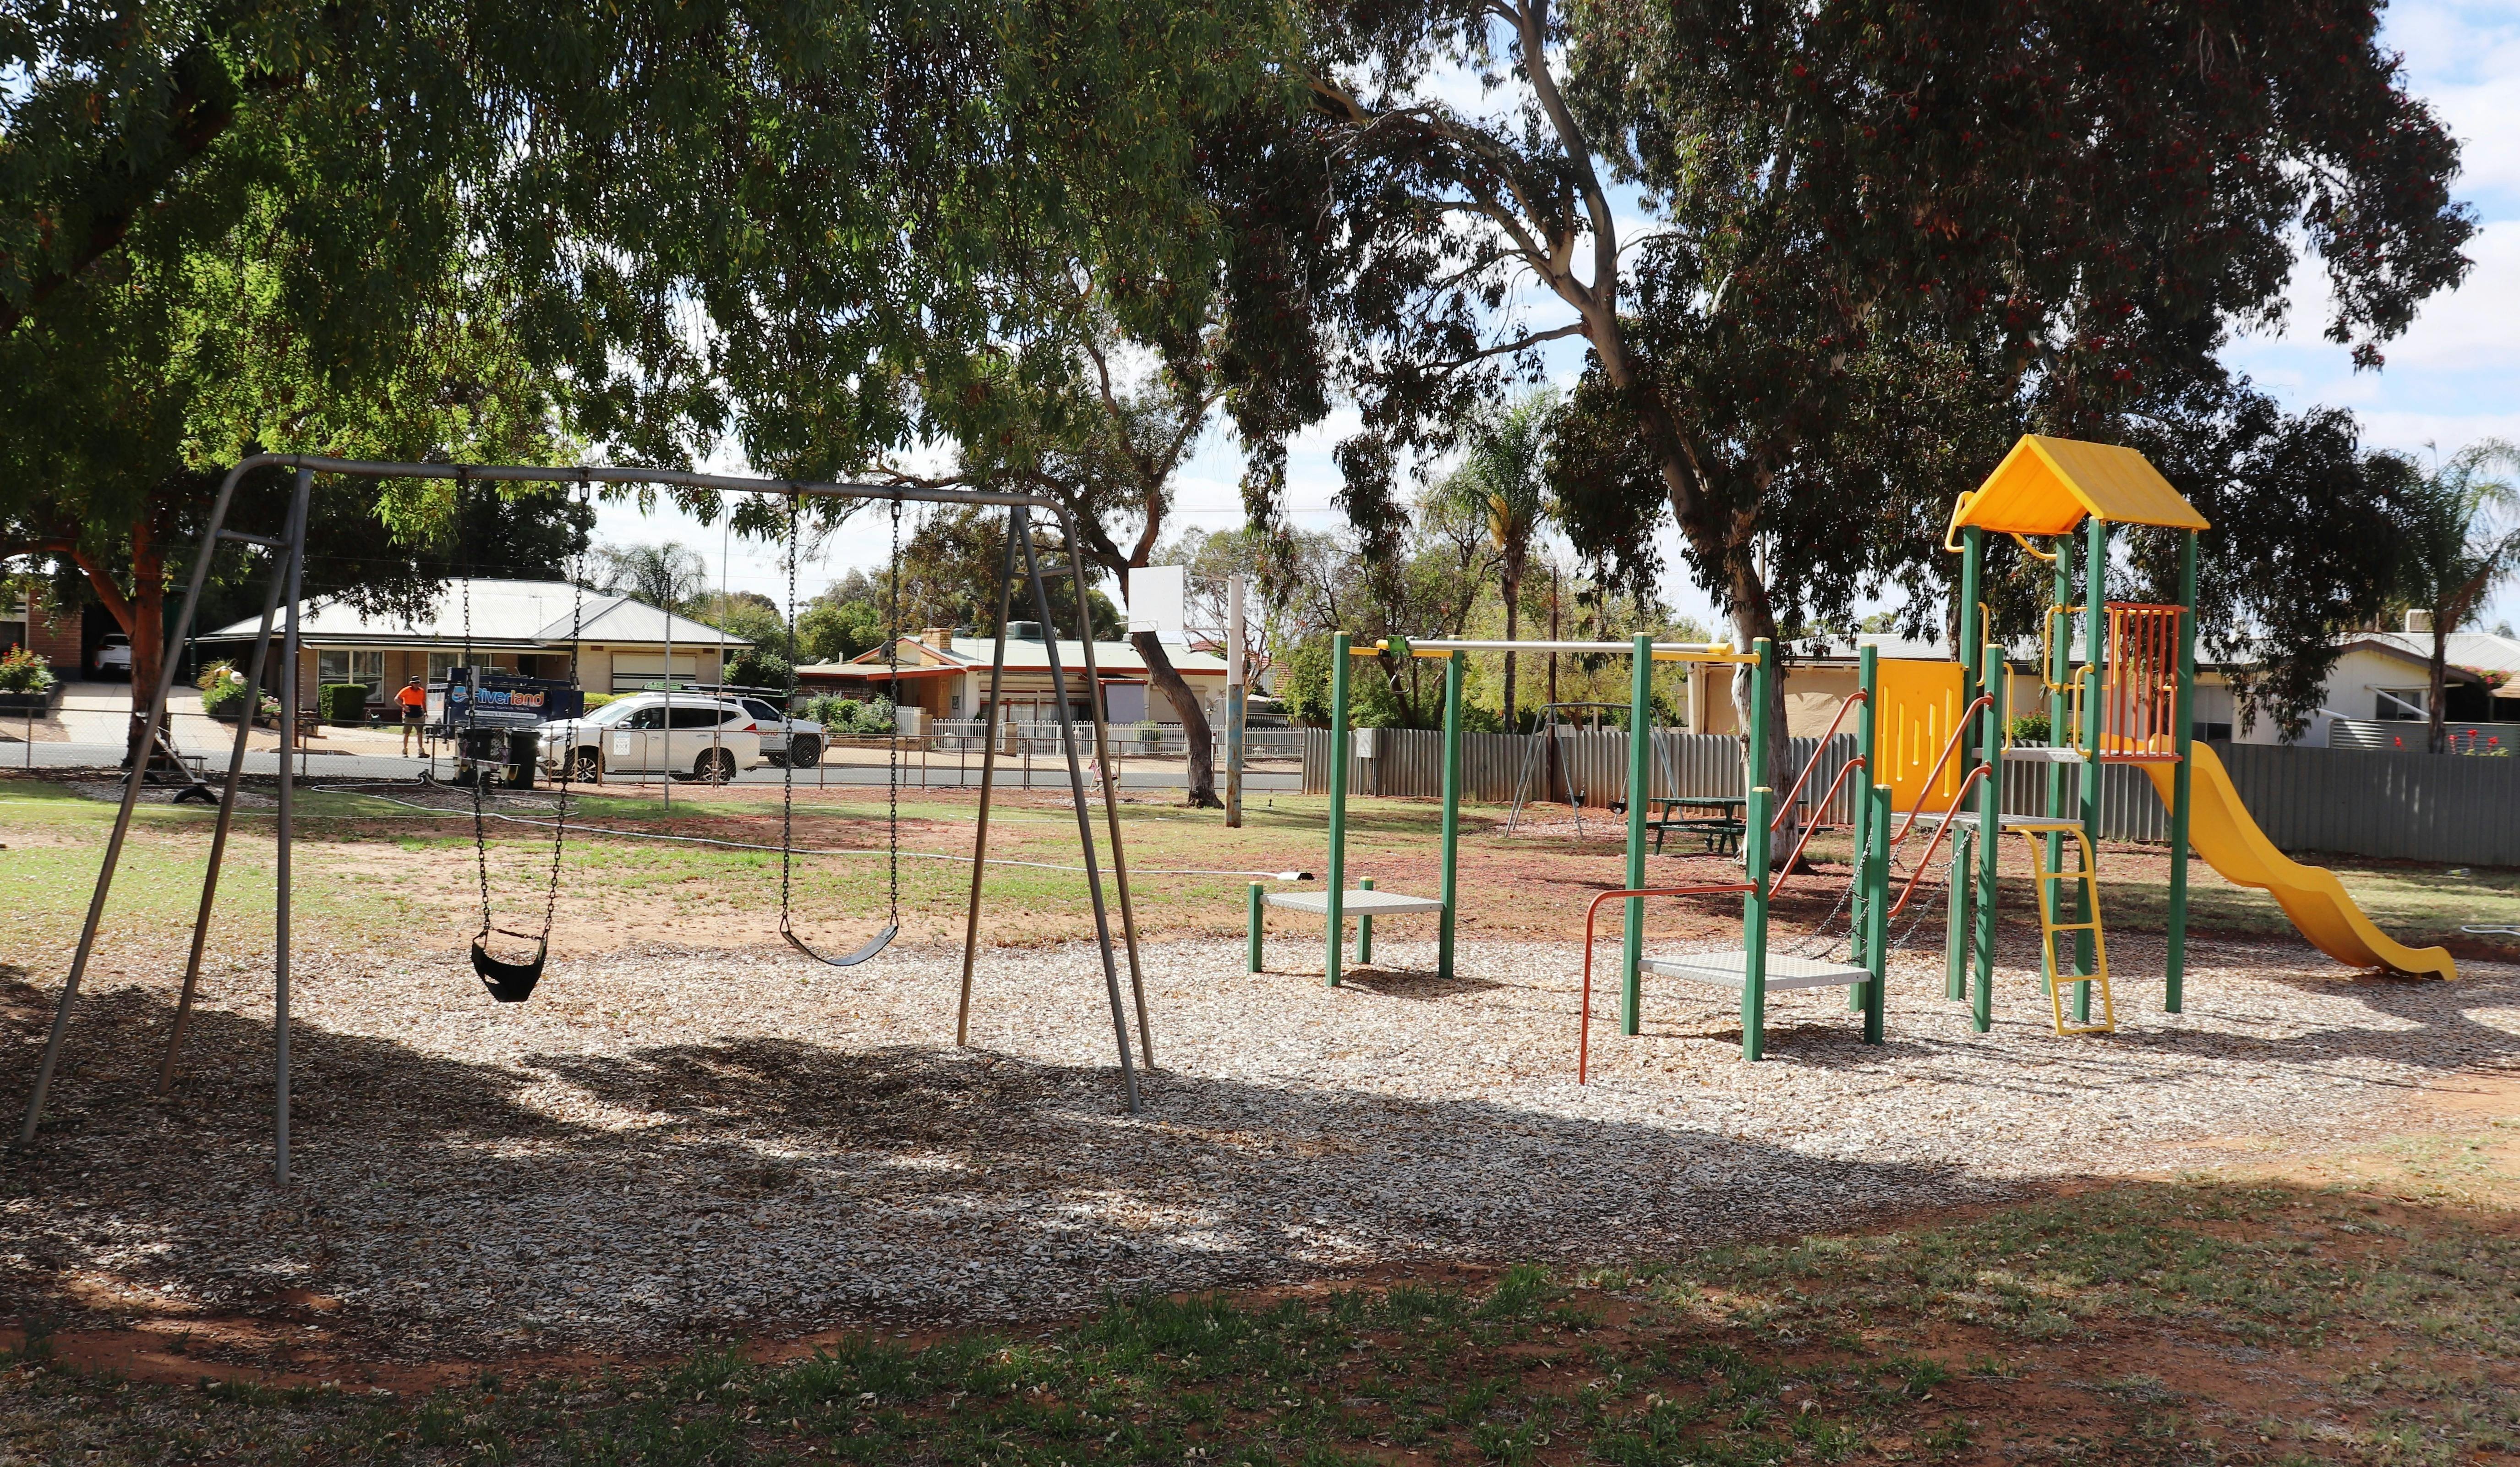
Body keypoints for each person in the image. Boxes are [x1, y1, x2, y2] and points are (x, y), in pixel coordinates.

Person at [398, 675, 429, 755]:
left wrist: (425, 711)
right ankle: (405, 750)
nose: (417, 684)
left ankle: (421, 751)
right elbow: (397, 699)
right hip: (409, 713)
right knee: (407, 733)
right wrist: (404, 707)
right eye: (415, 683)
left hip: (418, 712)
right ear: (411, 683)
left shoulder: (422, 691)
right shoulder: (406, 690)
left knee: (420, 733)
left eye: (418, 683)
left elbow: (423, 702)